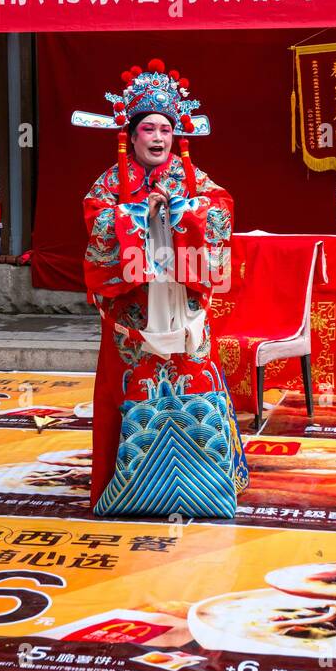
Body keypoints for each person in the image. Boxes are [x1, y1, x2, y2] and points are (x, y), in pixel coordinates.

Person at [79, 58, 247, 518]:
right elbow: (96, 225)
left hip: (184, 306)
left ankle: (209, 486)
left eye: (165, 130)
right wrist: (139, 216)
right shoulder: (111, 182)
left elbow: (221, 213)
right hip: (133, 314)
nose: (157, 138)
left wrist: (178, 211)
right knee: (130, 388)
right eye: (148, 129)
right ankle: (124, 489)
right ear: (130, 135)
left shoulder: (192, 178)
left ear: (175, 136)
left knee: (196, 382)